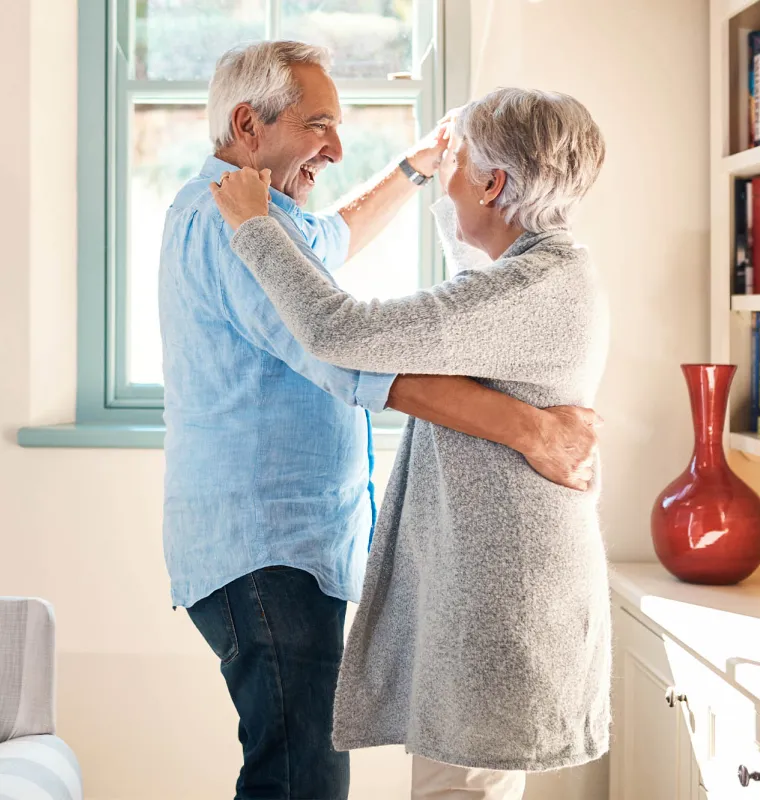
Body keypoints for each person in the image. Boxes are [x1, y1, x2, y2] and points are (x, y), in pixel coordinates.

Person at [161, 40, 600, 800]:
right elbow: (345, 355)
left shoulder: (267, 217)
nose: (335, 148)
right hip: (264, 551)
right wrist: (531, 430)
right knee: (300, 781)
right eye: (320, 124)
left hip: (291, 547)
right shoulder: (233, 227)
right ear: (248, 124)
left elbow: (328, 244)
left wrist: (411, 170)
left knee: (303, 772)